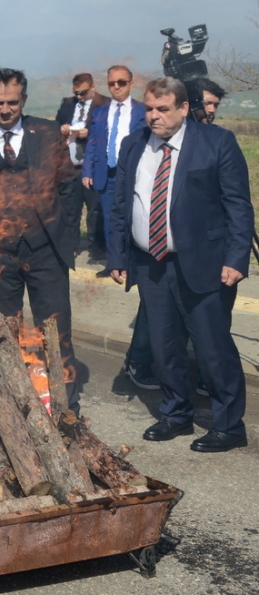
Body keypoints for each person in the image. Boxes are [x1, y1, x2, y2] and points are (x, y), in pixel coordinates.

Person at [108, 77, 253, 452]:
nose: (153, 117)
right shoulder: (133, 144)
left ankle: (228, 426)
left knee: (212, 347)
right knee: (164, 346)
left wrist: (237, 258)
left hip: (206, 264)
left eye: (162, 109)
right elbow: (123, 205)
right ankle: (176, 414)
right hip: (151, 263)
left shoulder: (216, 142)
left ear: (184, 108)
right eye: (148, 109)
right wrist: (118, 255)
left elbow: (238, 205)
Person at [0, 67, 80, 412]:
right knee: (2, 331)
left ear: (23, 100)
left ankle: (63, 403)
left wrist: (66, 236)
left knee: (55, 329)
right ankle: (9, 403)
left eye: (12, 102)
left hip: (45, 250)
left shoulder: (50, 133)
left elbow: (68, 186)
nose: (5, 110)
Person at [82, 65, 146, 263]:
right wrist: (87, 171)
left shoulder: (141, 111)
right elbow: (92, 143)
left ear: (131, 84)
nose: (117, 87)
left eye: (122, 82)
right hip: (106, 173)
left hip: (132, 173)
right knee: (110, 219)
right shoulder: (100, 113)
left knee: (134, 217)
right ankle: (114, 263)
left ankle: (134, 261)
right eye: (112, 83)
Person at [55, 72, 109, 260]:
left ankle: (96, 247)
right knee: (70, 207)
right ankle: (71, 245)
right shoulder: (67, 104)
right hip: (70, 166)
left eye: (83, 93)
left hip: (92, 165)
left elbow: (109, 133)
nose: (79, 96)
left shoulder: (105, 104)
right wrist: (62, 129)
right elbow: (56, 127)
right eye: (76, 93)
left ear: (93, 87)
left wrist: (90, 133)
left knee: (95, 209)